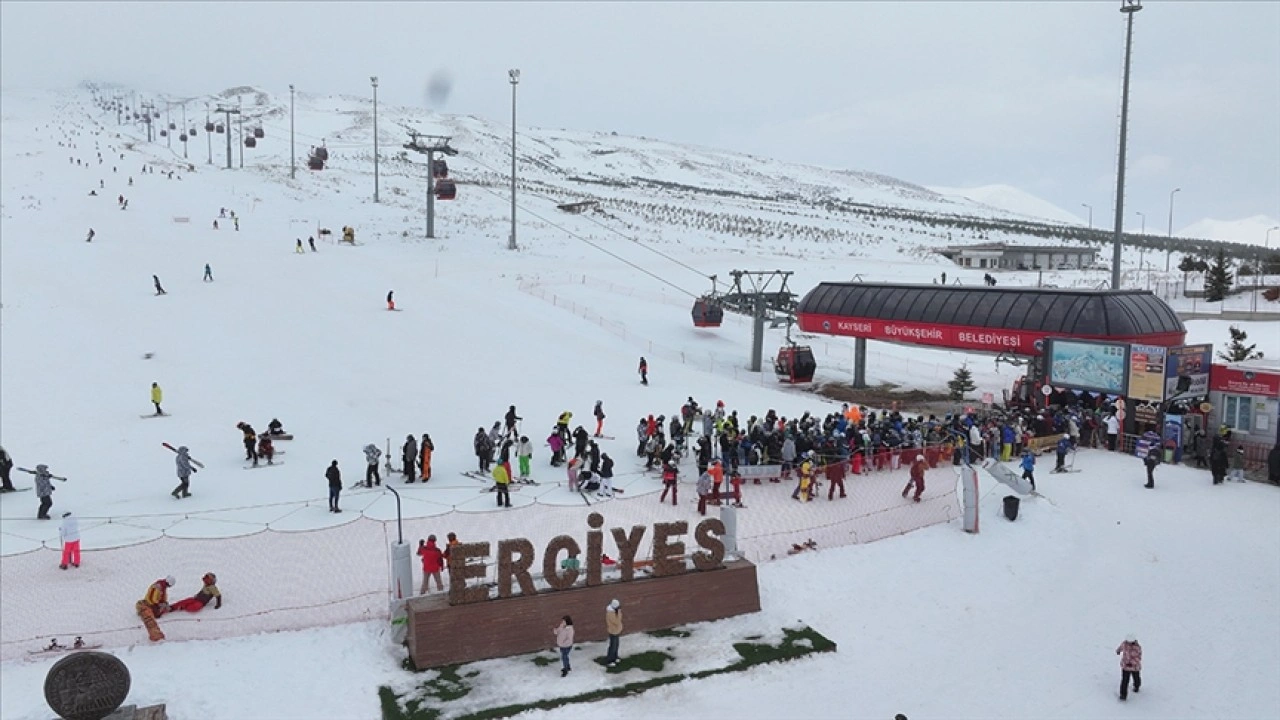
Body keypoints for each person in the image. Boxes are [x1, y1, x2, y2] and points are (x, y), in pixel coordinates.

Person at [1116, 634, 1143, 700]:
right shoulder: (1124, 644)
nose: (1128, 643)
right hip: (1125, 666)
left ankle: (1136, 686)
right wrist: (1118, 650)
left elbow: (1138, 658)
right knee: (1125, 681)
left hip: (1134, 667)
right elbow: (1121, 647)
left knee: (1136, 677)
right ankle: (1123, 695)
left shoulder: (1137, 648)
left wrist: (1132, 664)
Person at [604, 599, 623, 666]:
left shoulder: (614, 611)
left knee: (616, 645)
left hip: (616, 631)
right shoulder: (610, 613)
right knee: (613, 646)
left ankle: (615, 657)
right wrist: (619, 613)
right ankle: (610, 660)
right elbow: (617, 621)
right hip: (613, 631)